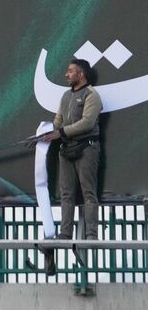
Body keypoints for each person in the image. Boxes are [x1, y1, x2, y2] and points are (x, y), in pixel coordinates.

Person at [41, 59, 103, 239]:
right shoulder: (66, 96)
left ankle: (92, 234)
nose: (66, 75)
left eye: (70, 71)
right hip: (66, 149)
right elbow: (58, 121)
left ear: (81, 74)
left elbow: (87, 123)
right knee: (66, 194)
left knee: (88, 192)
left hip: (87, 148)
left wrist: (60, 132)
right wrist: (44, 134)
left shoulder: (91, 95)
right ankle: (65, 233)